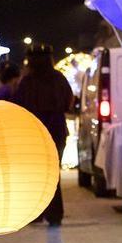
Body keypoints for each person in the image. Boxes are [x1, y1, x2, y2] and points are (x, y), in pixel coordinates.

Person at [14, 43, 74, 226]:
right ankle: (55, 214)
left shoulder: (26, 82)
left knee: (37, 173)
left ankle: (38, 212)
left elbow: (18, 107)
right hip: (56, 128)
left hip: (34, 130)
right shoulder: (59, 78)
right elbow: (69, 103)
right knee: (53, 173)